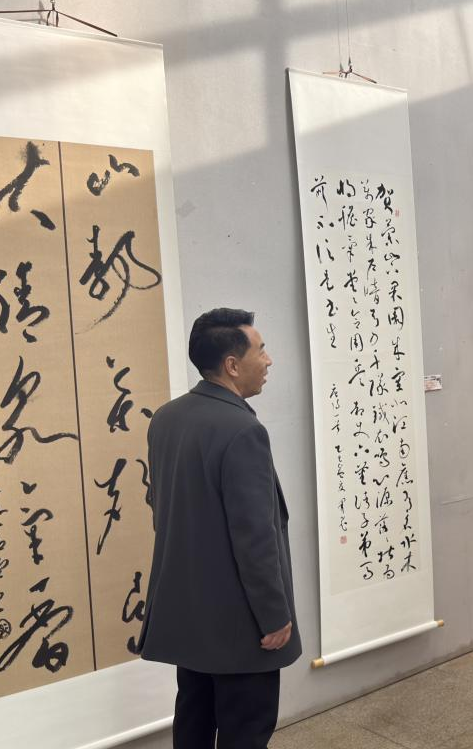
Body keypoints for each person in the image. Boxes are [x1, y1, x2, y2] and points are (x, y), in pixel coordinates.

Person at [138, 308, 301, 749]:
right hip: (239, 624)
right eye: (261, 350)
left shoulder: (166, 418)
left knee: (193, 720)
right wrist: (274, 616)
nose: (268, 360)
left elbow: (163, 510)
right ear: (232, 364)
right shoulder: (243, 430)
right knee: (245, 730)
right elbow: (255, 537)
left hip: (189, 614)